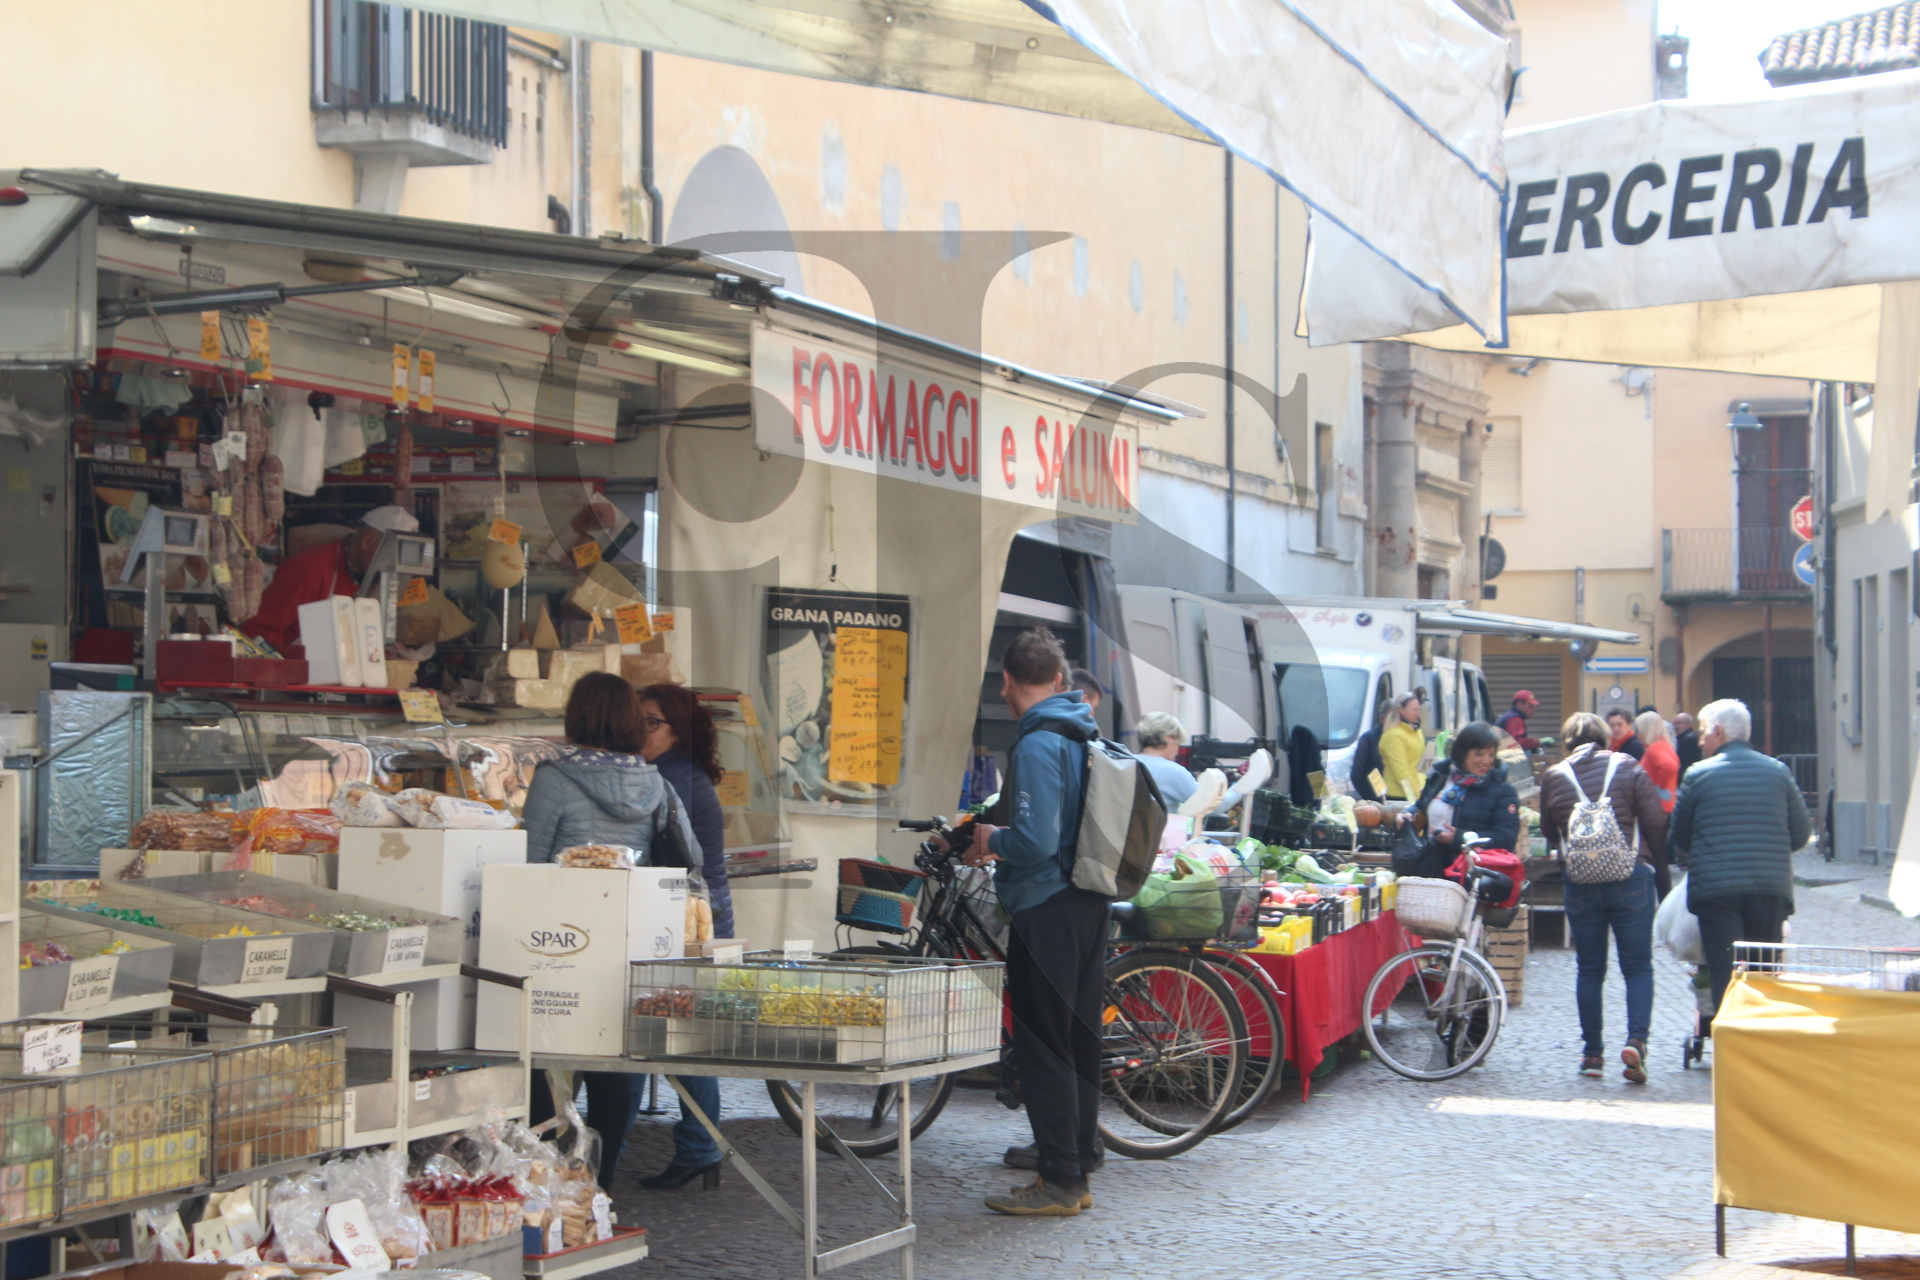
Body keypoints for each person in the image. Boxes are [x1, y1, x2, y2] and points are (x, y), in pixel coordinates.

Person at [521, 672, 700, 1189]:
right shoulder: (656, 783)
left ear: (577, 716)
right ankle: (600, 1182)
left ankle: (546, 1176)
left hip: (559, 938)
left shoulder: (555, 779)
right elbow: (691, 858)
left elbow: (528, 860)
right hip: (629, 938)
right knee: (612, 1058)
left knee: (541, 1054)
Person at [950, 627, 1106, 1217]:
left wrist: (993, 840)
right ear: (1060, 680)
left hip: (1047, 906)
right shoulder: (1082, 731)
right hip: (1088, 900)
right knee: (1077, 1039)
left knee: (1044, 1043)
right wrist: (977, 830)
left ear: (1008, 682)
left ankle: (1059, 1179)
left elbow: (1036, 840)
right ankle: (1078, 1158)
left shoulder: (1039, 742)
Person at [634, 682, 736, 1190]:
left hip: (689, 919)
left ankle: (699, 1145)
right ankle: (699, 1145)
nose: (642, 730)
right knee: (684, 1033)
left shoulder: (671, 778)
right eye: (638, 720)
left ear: (679, 729)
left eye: (652, 722)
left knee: (683, 1034)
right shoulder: (681, 773)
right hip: (696, 914)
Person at [1539, 713, 1669, 1084]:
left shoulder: (1555, 776)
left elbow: (1549, 830)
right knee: (1638, 966)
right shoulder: (1627, 766)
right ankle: (1636, 1041)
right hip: (1631, 877)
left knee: (1590, 969)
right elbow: (1656, 822)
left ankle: (1592, 1054)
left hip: (1582, 882)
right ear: (1605, 738)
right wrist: (1658, 872)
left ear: (1567, 743)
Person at [1671, 698, 1812, 1022]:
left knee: (1725, 975)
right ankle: (1762, 1040)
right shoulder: (1778, 772)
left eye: (1704, 732)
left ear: (1718, 732)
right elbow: (1802, 833)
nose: (1700, 740)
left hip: (1717, 891)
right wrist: (1770, 849)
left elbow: (1679, 836)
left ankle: (1730, 1041)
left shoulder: (1698, 774)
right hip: (1769, 888)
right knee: (1763, 976)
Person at [244, 505, 418, 651]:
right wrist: (289, 667)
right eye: (393, 555)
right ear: (368, 541)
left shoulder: (377, 581)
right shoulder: (311, 568)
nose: (396, 566)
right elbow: (255, 630)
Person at [1400, 721, 1520, 880]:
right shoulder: (1440, 777)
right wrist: (1407, 814)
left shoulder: (1503, 791)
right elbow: (1421, 805)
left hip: (1469, 875)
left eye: (1491, 755)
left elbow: (1506, 838)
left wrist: (1461, 838)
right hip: (1430, 867)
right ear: (1463, 752)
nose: (1486, 761)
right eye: (1479, 754)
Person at [1634, 710, 1682, 898]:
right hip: (1665, 808)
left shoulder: (1655, 749)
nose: (1637, 734)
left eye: (1639, 730)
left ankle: (1661, 899)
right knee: (1659, 858)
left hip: (1656, 809)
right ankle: (1663, 899)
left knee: (1656, 859)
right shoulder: (1665, 746)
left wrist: (1657, 788)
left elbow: (1669, 767)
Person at [1134, 711, 1197, 808]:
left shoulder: (1125, 762)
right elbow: (1208, 804)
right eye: (1178, 743)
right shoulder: (1174, 771)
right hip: (1159, 818)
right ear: (1168, 738)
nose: (1178, 750)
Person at [1378, 692, 1426, 801]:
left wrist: (1423, 787)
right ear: (1402, 711)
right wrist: (1416, 796)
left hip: (1416, 789)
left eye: (1419, 709)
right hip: (1399, 796)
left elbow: (1418, 765)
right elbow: (1401, 774)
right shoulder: (1394, 736)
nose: (1418, 713)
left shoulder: (1416, 730)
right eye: (1414, 710)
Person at [1349, 698, 1393, 802]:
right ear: (1382, 718)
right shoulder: (1368, 739)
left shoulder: (1402, 738)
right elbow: (1356, 773)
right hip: (1374, 798)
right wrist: (1368, 797)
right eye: (1393, 717)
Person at [1673, 712, 1702, 777]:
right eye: (1674, 724)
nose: (1676, 726)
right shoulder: (1685, 737)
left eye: (1679, 723)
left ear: (1689, 724)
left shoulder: (1688, 739)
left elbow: (1686, 763)